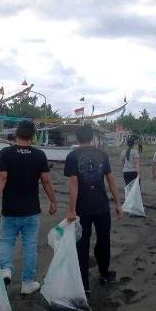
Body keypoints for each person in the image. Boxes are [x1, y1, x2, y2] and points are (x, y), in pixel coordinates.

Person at [0, 120, 58, 294]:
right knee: (30, 246)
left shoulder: (6, 153)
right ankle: (28, 282)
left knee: (6, 241)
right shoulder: (39, 155)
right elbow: (46, 181)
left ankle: (6, 270)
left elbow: (1, 177)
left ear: (16, 134)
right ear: (33, 136)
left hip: (10, 209)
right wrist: (53, 201)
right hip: (31, 210)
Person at [64, 124, 123, 291]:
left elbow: (74, 183)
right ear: (92, 138)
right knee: (104, 240)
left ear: (77, 138)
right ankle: (104, 274)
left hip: (83, 207)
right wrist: (118, 203)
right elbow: (111, 179)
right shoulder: (102, 154)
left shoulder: (72, 156)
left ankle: (84, 284)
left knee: (82, 243)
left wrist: (71, 209)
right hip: (102, 206)